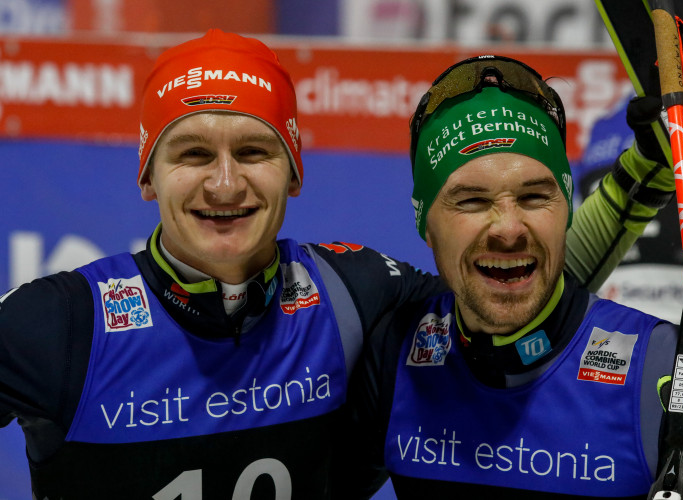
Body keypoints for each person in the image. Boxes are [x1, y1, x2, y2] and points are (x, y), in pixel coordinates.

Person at [0, 29, 445, 499]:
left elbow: (493, 321)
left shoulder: (355, 293)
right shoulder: (64, 323)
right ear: (148, 176)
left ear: (293, 173)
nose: (226, 185)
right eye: (194, 154)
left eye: (253, 152)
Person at [336, 55, 683, 499]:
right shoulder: (393, 353)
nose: (508, 229)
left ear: (566, 207)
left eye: (534, 196)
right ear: (424, 223)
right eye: (470, 201)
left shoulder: (663, 372)